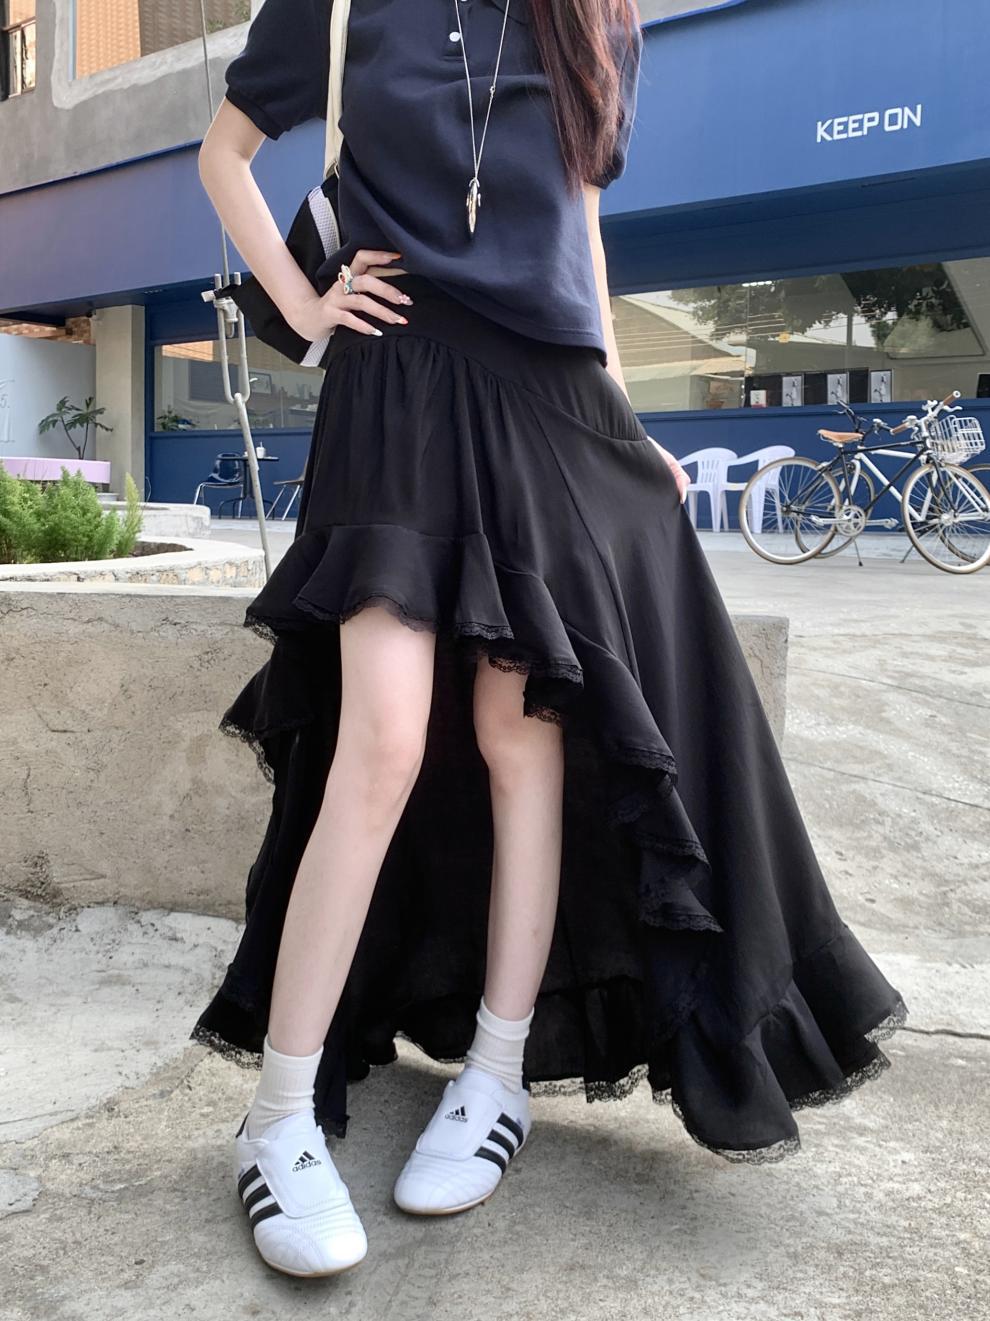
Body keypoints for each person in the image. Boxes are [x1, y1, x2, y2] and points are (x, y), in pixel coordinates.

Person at [192, 0, 908, 1280]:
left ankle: (497, 1071)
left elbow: (579, 225)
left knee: (520, 734)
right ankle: (280, 1113)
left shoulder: (592, 20)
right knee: (382, 740)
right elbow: (223, 154)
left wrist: (624, 417)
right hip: (397, 386)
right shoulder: (343, 6)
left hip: (547, 400)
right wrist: (304, 303)